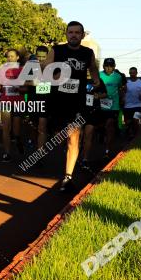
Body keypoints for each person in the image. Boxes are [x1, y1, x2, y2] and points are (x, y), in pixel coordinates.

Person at [40, 21, 98, 190]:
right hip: (57, 99)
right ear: (66, 34)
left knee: (74, 138)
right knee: (59, 136)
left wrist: (95, 80)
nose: (73, 35)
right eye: (70, 32)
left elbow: (93, 68)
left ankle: (68, 176)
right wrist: (51, 71)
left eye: (77, 32)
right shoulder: (57, 50)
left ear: (82, 35)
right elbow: (45, 70)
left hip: (76, 101)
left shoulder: (88, 52)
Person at [0, 49, 26, 163]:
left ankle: (18, 139)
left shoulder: (22, 70)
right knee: (6, 128)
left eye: (12, 56)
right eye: (8, 56)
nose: (10, 58)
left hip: (18, 101)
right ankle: (7, 153)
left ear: (17, 57)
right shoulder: (2, 69)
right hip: (5, 101)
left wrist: (19, 87)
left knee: (16, 129)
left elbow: (26, 88)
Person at [122, 67, 141, 140]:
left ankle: (136, 136)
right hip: (127, 106)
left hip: (138, 106)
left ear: (136, 73)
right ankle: (130, 132)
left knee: (135, 120)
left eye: (133, 72)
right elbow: (122, 93)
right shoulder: (126, 83)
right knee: (128, 122)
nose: (132, 74)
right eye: (130, 73)